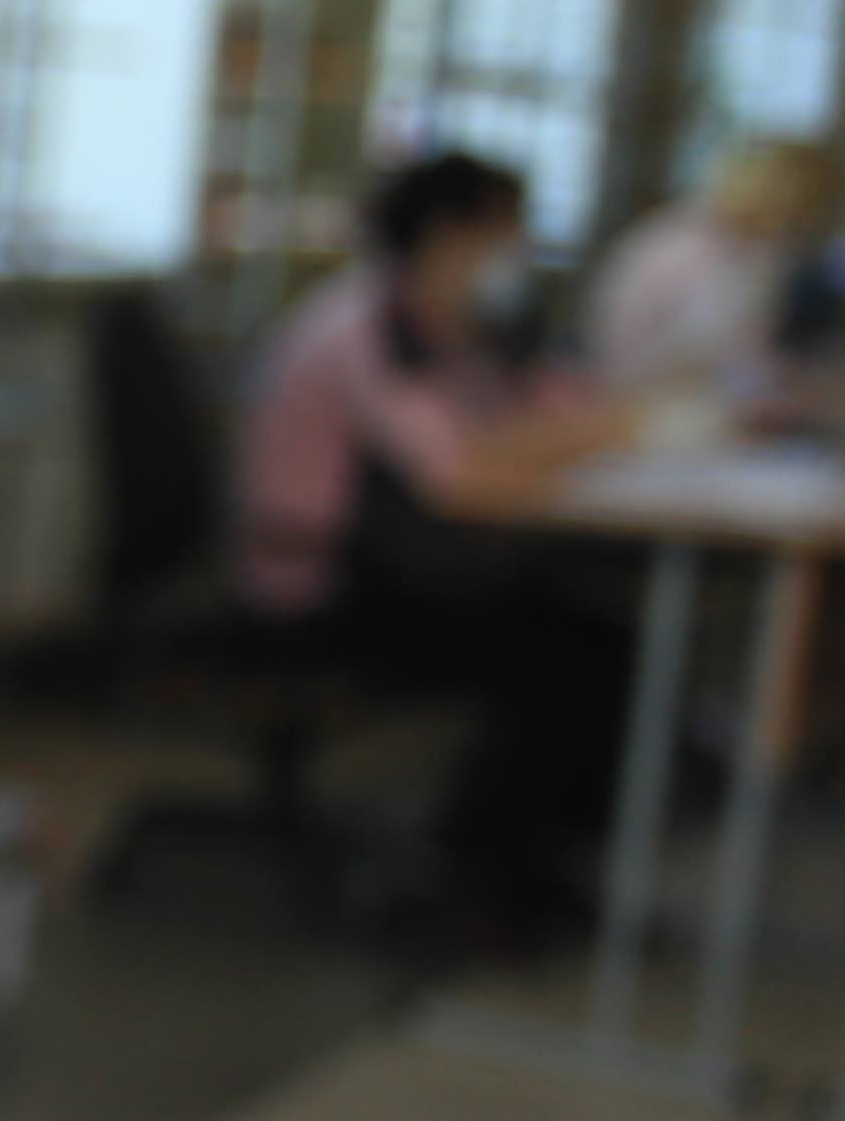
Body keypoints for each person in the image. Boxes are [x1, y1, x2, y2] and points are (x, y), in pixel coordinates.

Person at [238, 149, 644, 945]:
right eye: (503, 232)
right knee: (559, 668)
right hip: (318, 585)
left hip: (412, 571)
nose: (517, 251)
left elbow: (559, 410)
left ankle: (527, 866)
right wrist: (584, 433)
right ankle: (453, 877)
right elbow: (452, 469)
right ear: (444, 233)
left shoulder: (454, 324)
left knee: (605, 645)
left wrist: (575, 412)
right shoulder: (364, 327)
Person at [589, 137, 835, 396]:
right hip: (636, 395)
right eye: (806, 210)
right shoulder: (677, 247)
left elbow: (749, 349)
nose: (809, 225)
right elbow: (624, 356)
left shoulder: (763, 256)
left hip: (707, 399)